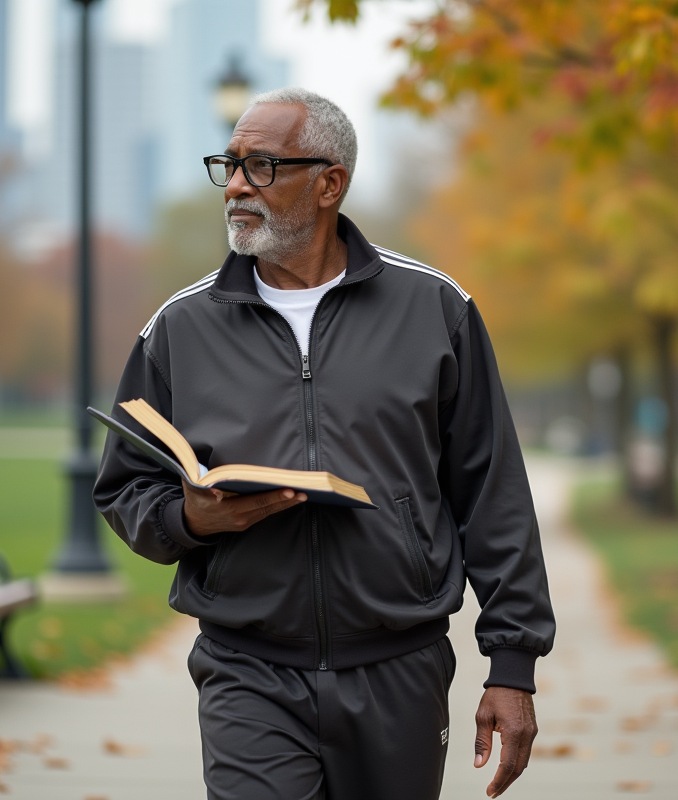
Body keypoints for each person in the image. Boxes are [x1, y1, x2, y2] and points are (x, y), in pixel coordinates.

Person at [94, 87, 555, 800]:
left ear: (329, 182)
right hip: (247, 665)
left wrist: (513, 665)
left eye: (262, 166)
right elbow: (123, 486)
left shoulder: (435, 309)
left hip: (399, 665)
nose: (238, 185)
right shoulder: (180, 327)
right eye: (230, 165)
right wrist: (189, 518)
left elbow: (493, 494)